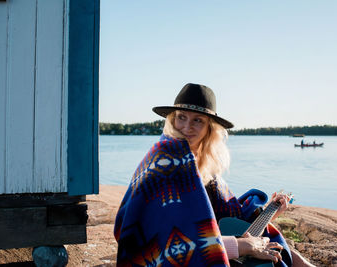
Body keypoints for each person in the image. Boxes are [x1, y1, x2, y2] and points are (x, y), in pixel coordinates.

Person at [114, 83, 314, 267]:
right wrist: (241, 246)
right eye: (181, 116)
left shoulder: (202, 165)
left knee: (281, 249)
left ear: (209, 128)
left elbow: (225, 218)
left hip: (214, 248)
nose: (186, 127)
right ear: (172, 119)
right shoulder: (165, 163)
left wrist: (270, 212)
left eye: (197, 120)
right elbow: (168, 244)